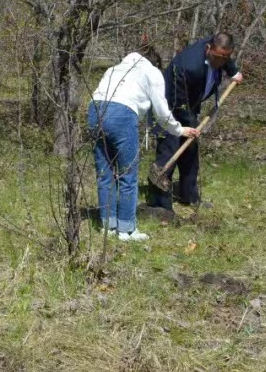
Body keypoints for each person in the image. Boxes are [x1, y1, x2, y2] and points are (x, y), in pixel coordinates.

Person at [88, 48, 200, 241]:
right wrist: (179, 130)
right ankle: (127, 230)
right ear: (154, 62)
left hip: (94, 110)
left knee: (105, 174)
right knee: (127, 175)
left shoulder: (113, 69)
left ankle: (108, 225)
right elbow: (162, 112)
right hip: (122, 114)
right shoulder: (152, 72)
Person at [146, 33, 244, 212]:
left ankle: (189, 197)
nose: (221, 62)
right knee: (169, 151)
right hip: (168, 109)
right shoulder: (187, 65)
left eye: (225, 58)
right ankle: (159, 203)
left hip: (188, 107)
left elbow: (224, 56)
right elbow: (178, 102)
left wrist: (234, 72)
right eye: (218, 57)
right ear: (208, 50)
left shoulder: (218, 53)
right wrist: (190, 124)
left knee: (190, 152)